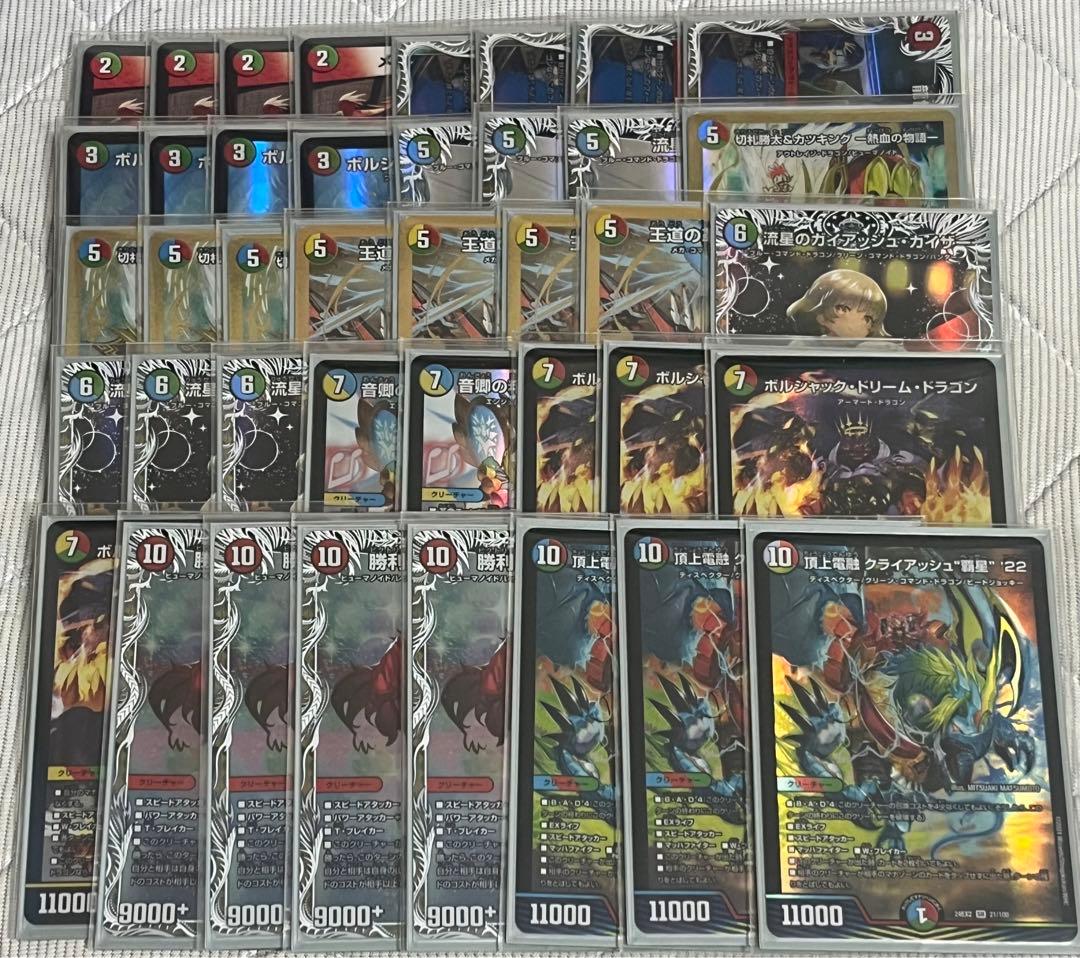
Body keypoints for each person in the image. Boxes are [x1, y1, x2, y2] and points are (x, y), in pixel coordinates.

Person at [787, 269, 888, 338]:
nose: (868, 326)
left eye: (868, 319)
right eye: (843, 308)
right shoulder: (805, 346)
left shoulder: (873, 350)